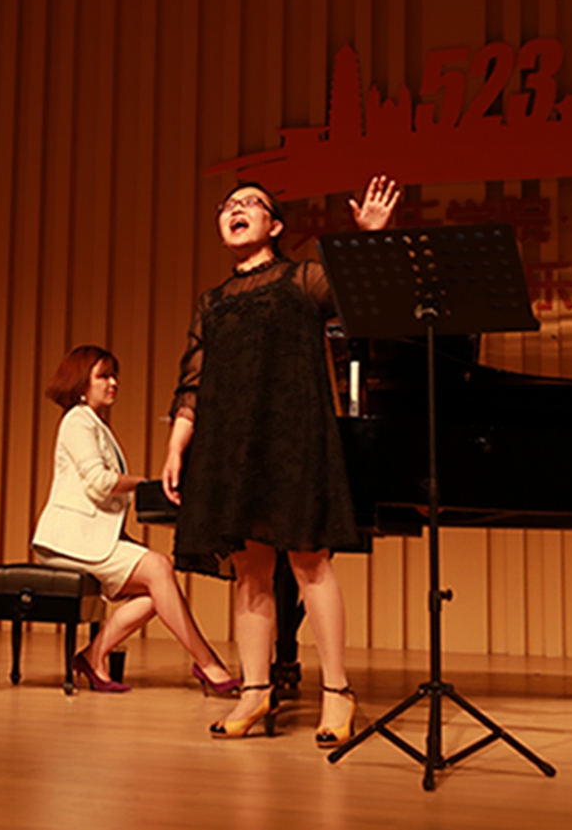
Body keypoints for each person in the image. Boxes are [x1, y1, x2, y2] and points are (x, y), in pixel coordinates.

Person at [161, 176, 399, 741]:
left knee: (309, 560)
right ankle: (255, 691)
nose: (236, 210)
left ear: (275, 225)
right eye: (228, 205)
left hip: (292, 437)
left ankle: (337, 691)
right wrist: (176, 446)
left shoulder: (301, 278)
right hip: (229, 443)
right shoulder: (212, 301)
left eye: (251, 204)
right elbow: (193, 379)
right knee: (249, 568)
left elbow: (358, 299)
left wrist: (369, 238)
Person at [32, 346, 238, 695]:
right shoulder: (77, 420)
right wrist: (144, 484)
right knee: (159, 569)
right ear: (81, 382)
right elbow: (99, 482)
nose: (113, 383)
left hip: (88, 538)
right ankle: (207, 664)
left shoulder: (93, 423)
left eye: (115, 376)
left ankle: (93, 656)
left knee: (157, 588)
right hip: (68, 539)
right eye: (103, 376)